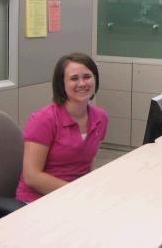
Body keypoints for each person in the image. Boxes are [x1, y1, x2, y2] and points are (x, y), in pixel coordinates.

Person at [16, 52, 108, 203]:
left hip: (76, 197)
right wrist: (76, 193)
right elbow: (32, 177)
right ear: (61, 84)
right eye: (74, 78)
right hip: (38, 200)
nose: (82, 83)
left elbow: (87, 161)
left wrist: (90, 189)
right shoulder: (43, 120)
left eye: (87, 76)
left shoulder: (100, 118)